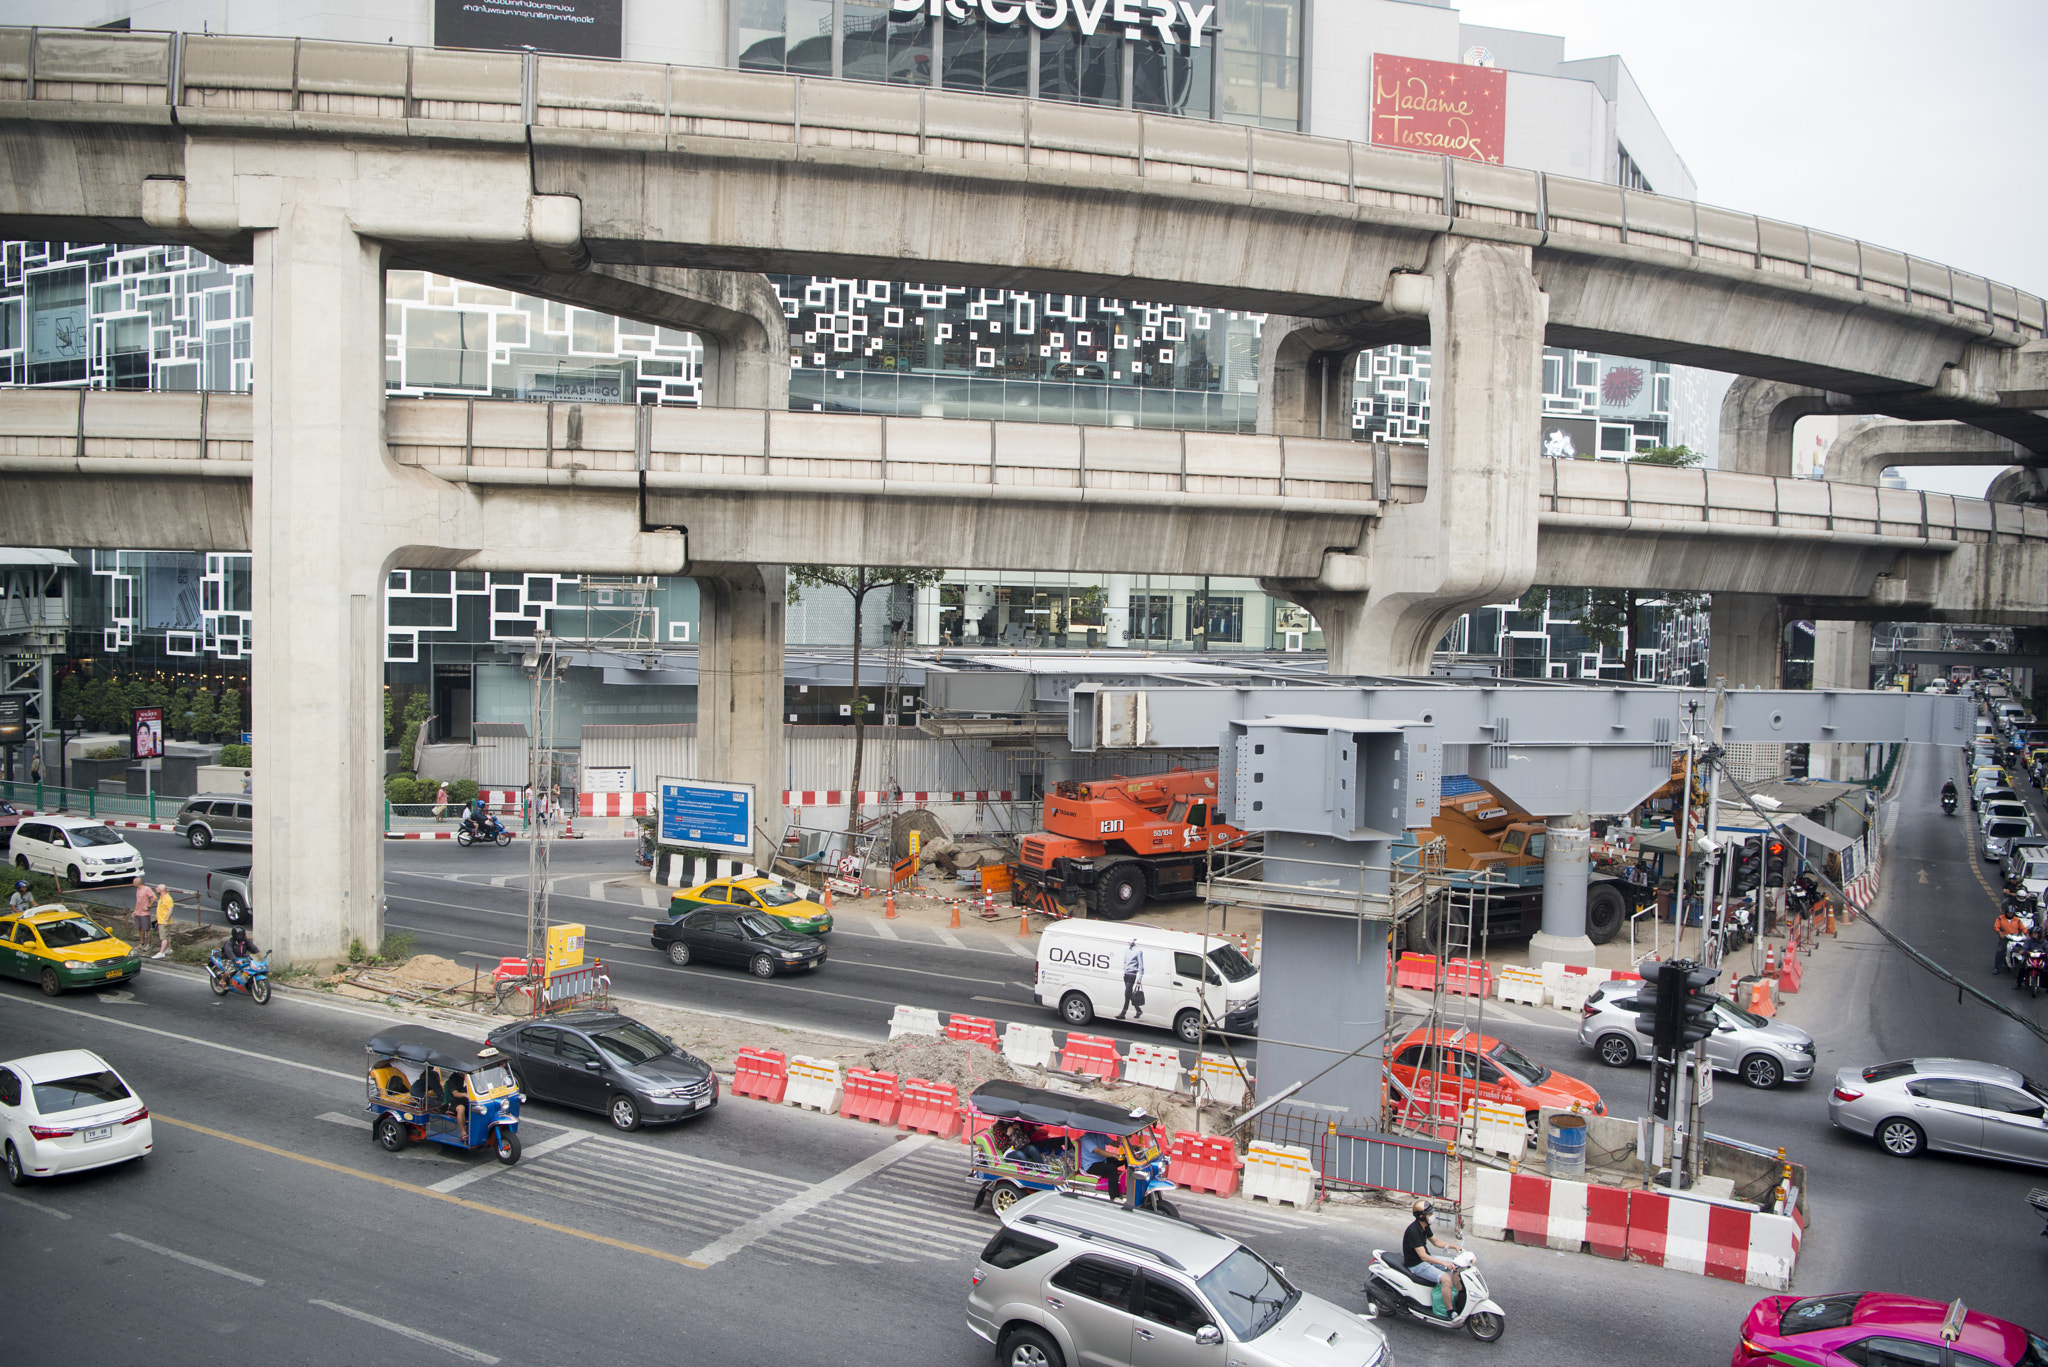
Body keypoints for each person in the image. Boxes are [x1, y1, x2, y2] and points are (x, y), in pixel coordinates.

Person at [1400, 1198, 1464, 1315]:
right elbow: (1423, 1257)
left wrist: (1454, 1247)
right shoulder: (1413, 1231)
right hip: (1416, 1264)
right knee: (1445, 1279)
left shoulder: (1424, 1226)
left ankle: (1460, 1296)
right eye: (1429, 1214)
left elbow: (1436, 1242)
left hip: (1426, 1259)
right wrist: (1444, 1263)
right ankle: (1450, 1311)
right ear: (1421, 1216)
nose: (1432, 1216)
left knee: (1456, 1266)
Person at [1117, 938, 1145, 1021]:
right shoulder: (1126, 950)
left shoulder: (1138, 951)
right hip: (1126, 974)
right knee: (1129, 994)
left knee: (1127, 994)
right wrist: (1124, 972)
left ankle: (1123, 1013)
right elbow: (1125, 961)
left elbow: (1141, 965)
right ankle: (1138, 1010)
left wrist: (1140, 978)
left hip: (1132, 974)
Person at [1994, 903, 2025, 973]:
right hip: (2006, 938)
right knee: (2000, 951)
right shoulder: (2000, 918)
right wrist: (2000, 933)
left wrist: (2026, 934)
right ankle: (1997, 967)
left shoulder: (2017, 920)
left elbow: (2023, 928)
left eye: (2011, 913)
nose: (2010, 914)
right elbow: (1996, 927)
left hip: (2015, 938)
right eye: (2009, 913)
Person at [151, 882, 174, 958]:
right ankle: (168, 949)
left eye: (157, 888)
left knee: (163, 937)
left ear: (161, 890)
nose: (156, 889)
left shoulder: (168, 899)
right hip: (161, 920)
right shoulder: (162, 897)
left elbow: (170, 910)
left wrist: (166, 920)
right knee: (167, 936)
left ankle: (161, 952)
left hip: (163, 921)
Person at [130, 879, 154, 945]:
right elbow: (137, 901)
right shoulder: (138, 889)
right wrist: (135, 911)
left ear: (137, 883)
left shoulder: (146, 889)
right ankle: (142, 942)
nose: (133, 883)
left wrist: (148, 906)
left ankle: (148, 944)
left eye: (134, 882)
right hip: (138, 912)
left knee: (147, 928)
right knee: (140, 927)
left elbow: (154, 897)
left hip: (145, 913)